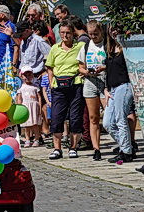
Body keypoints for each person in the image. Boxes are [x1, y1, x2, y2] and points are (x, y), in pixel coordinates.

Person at [44, 22, 86, 159]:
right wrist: (51, 83)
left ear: (73, 33)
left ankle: (73, 147)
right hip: (59, 87)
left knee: (75, 117)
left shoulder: (80, 46)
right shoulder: (55, 48)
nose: (65, 35)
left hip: (75, 84)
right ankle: (57, 148)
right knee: (57, 117)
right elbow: (49, 66)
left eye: (67, 32)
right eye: (62, 32)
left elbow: (85, 61)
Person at [100, 28, 136, 165]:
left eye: (116, 29)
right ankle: (127, 147)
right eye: (111, 29)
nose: (114, 32)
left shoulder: (126, 47)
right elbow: (108, 71)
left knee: (121, 119)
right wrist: (105, 88)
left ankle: (126, 152)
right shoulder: (109, 48)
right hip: (112, 88)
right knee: (108, 123)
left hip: (124, 85)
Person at [80, 20, 110, 161]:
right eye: (91, 34)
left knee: (110, 116)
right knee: (93, 118)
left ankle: (123, 144)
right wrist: (86, 71)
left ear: (101, 32)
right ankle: (96, 148)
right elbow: (80, 67)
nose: (93, 37)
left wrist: (104, 67)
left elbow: (112, 63)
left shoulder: (106, 45)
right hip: (90, 82)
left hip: (104, 82)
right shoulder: (86, 46)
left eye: (96, 34)